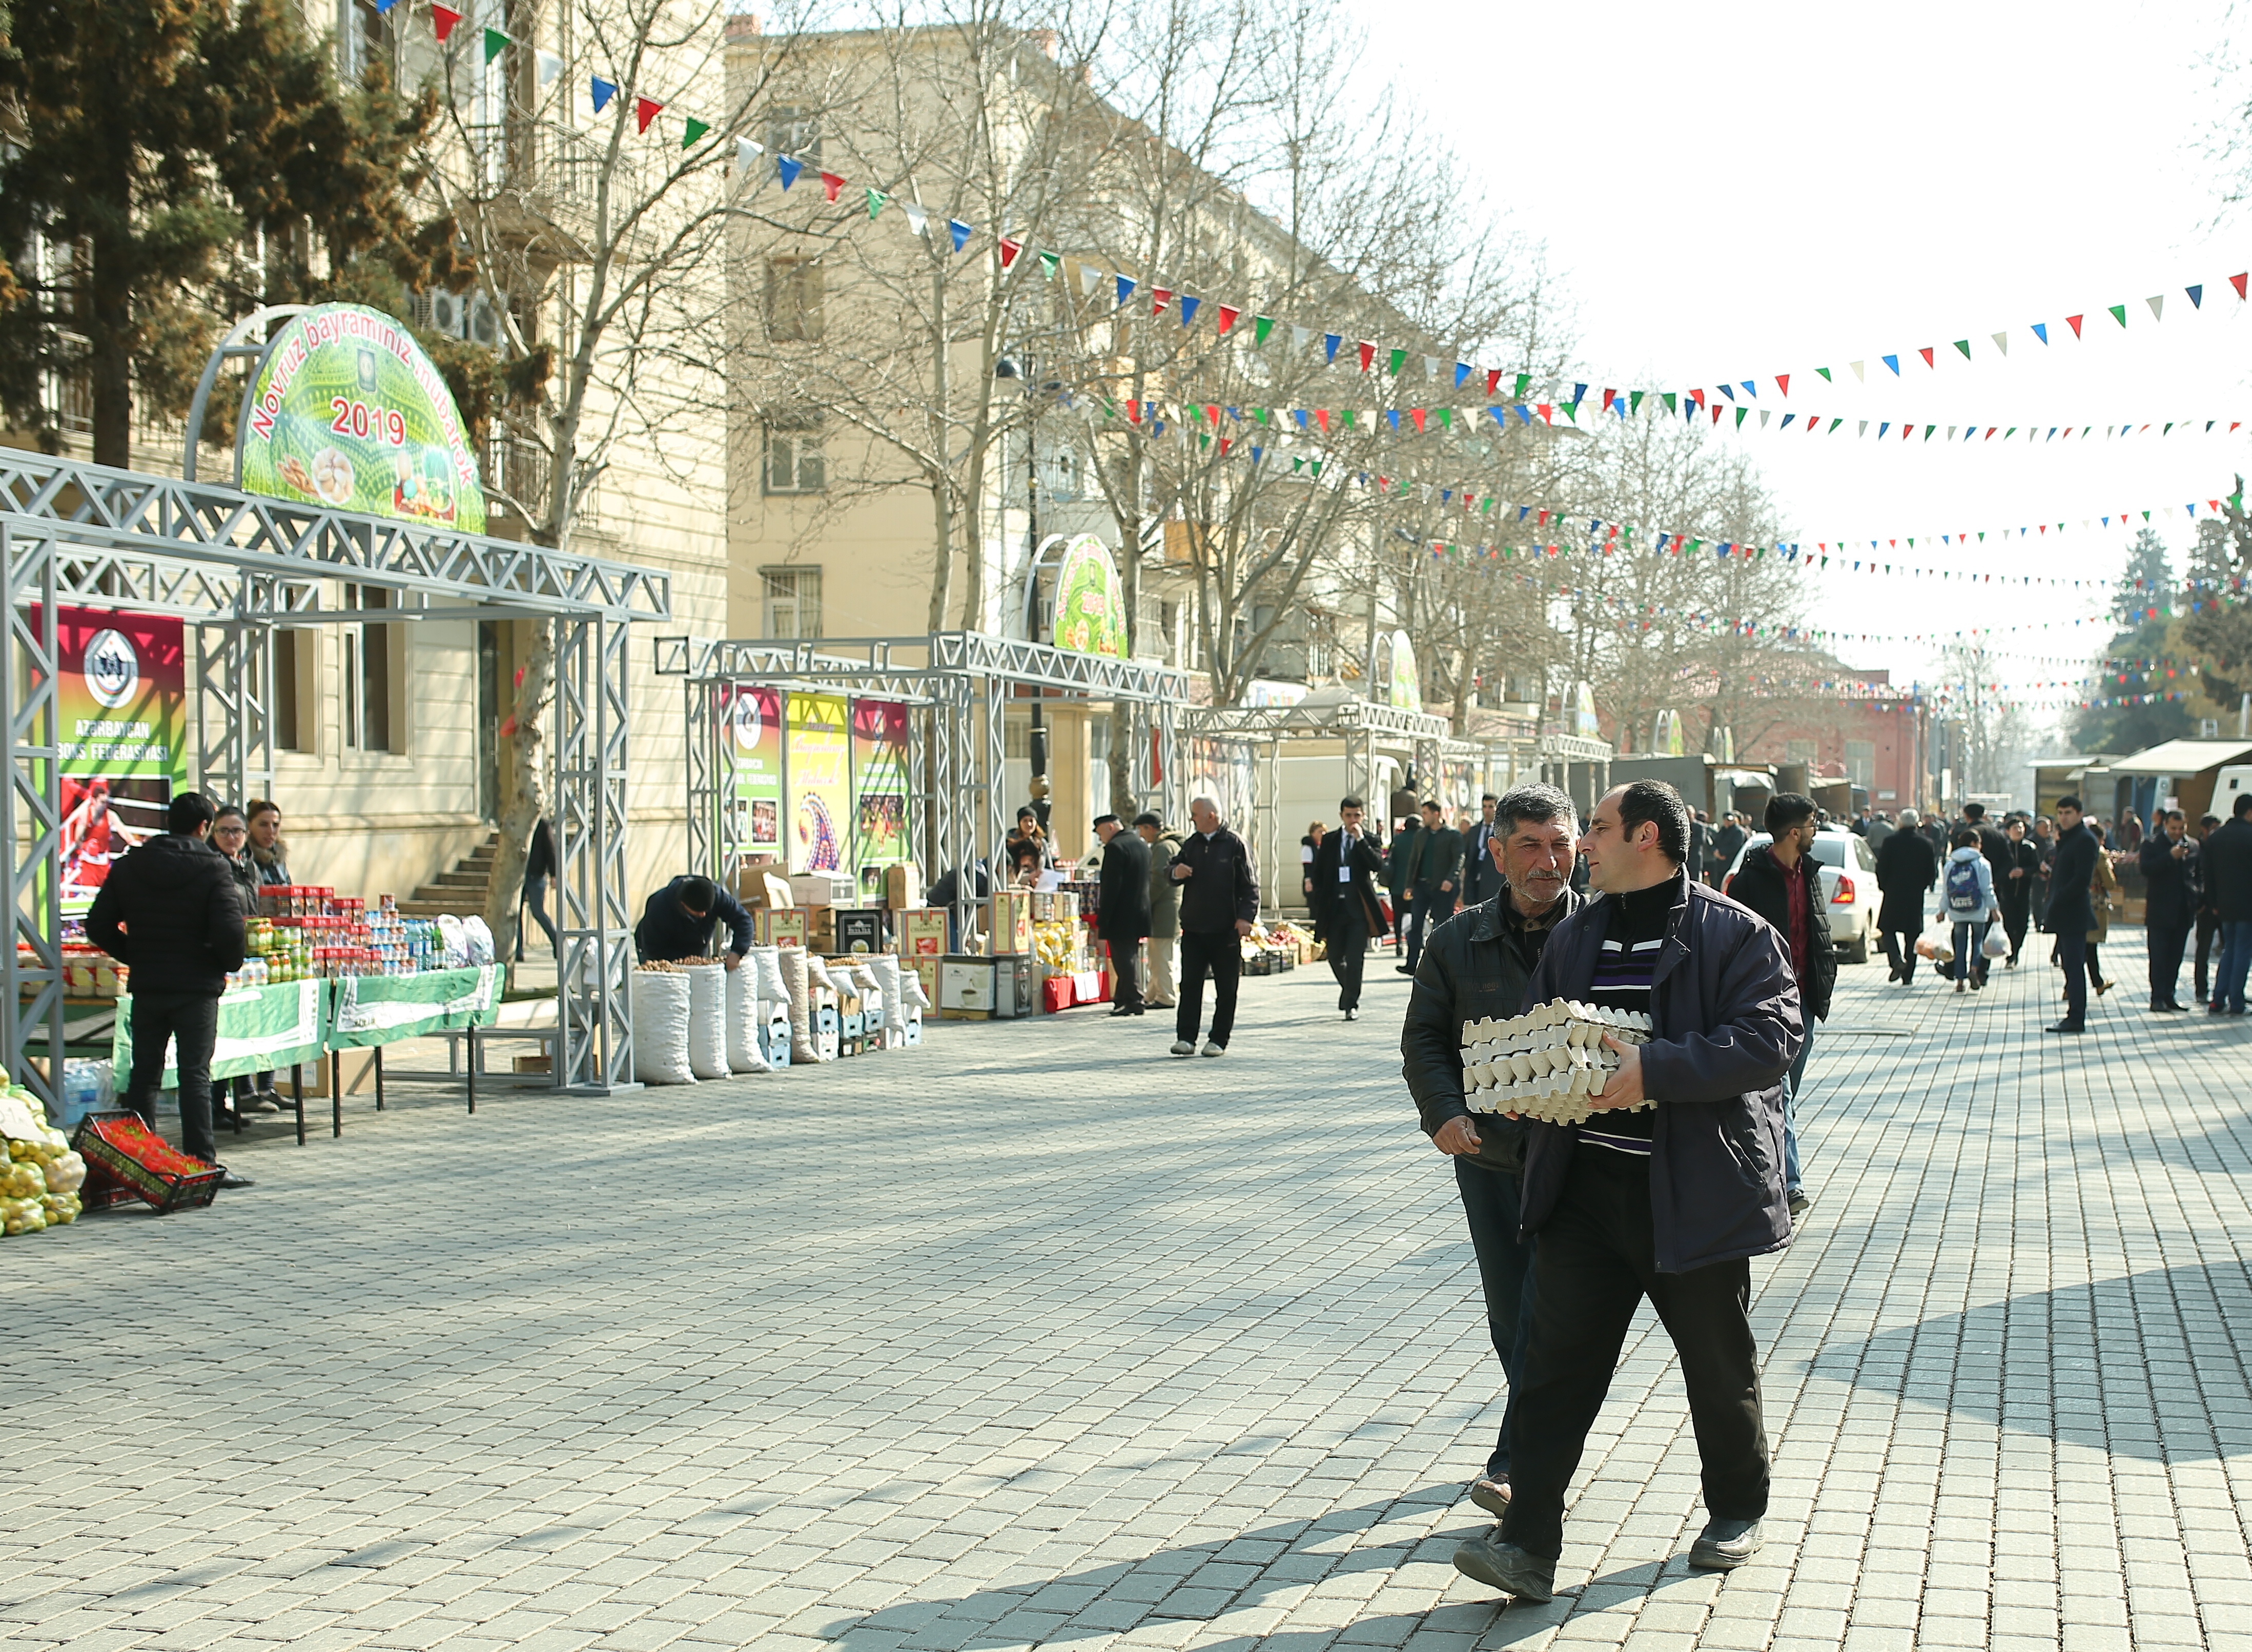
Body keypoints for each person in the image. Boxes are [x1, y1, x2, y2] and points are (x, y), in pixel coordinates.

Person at [1452, 780, 1796, 1602]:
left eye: (1597, 828)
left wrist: (1655, 1067)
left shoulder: (1734, 933)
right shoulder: (1577, 934)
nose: (1583, 845)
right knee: (1553, 1366)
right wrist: (1523, 1080)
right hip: (1582, 1191)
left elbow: (1769, 1037)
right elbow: (1546, 1024)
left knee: (1716, 1363)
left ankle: (1736, 1506)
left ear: (1645, 834)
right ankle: (1526, 1542)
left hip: (1692, 1189)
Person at [1401, 783, 1581, 1518]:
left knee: (1553, 1310)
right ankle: (1532, 1454)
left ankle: (1518, 1465)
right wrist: (1443, 1113)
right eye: (1532, 845)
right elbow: (1423, 1042)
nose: (1549, 861)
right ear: (1497, 851)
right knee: (1512, 1312)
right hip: (1489, 1158)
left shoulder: (1606, 934)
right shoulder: (1454, 940)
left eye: (1562, 843)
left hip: (1581, 1157)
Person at [85, 792, 252, 1187]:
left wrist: (135, 954)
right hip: (196, 986)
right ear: (204, 827)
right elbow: (231, 932)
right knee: (195, 1074)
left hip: (149, 984)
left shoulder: (130, 865)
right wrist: (225, 963)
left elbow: (98, 924)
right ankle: (200, 1164)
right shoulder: (214, 867)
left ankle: (141, 1163)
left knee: (145, 1074)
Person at [1720, 794, 1833, 1217]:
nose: (1816, 829)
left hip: (1806, 1001)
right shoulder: (1751, 880)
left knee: (1785, 1096)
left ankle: (1759, 1169)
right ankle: (1790, 1182)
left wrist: (1826, 980)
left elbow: (1816, 933)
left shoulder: (1811, 873)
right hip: (1767, 1002)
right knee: (1780, 1090)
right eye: (1812, 822)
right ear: (1793, 832)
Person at [1168, 796, 1257, 1057]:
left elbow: (1250, 886)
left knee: (1226, 988)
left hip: (1225, 930)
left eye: (1195, 814)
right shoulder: (1193, 844)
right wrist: (1176, 872)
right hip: (1194, 929)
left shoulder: (1234, 843)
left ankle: (1218, 1039)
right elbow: (1170, 870)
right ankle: (1186, 1038)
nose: (1192, 819)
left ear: (1211, 816)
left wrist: (1245, 918)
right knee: (1190, 986)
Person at [209, 806, 280, 1119]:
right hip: (222, 957)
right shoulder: (211, 865)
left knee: (251, 1027)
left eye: (237, 832)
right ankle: (217, 1104)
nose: (231, 837)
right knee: (222, 1034)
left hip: (252, 955)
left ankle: (257, 1090)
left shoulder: (247, 864)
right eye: (224, 831)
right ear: (212, 832)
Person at [1308, 795, 1386, 1019]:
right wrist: (1318, 898)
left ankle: (1350, 1003)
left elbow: (1377, 865)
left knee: (1355, 958)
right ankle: (1349, 989)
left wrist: (1360, 840)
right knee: (1334, 957)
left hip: (1358, 910)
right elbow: (1320, 872)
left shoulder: (1369, 839)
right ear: (1341, 815)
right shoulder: (1331, 840)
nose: (1353, 820)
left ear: (1363, 816)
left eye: (1357, 816)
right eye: (1349, 815)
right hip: (1335, 908)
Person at [2044, 797, 2098, 1033]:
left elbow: (2081, 879)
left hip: (2073, 912)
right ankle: (2073, 1014)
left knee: (2075, 966)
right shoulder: (2067, 839)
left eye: (2068, 812)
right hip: (2064, 912)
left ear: (2079, 813)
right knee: (2069, 965)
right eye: (2060, 813)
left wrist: (2059, 898)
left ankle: (2076, 1016)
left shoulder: (2084, 840)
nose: (2064, 817)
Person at [1094, 814, 1151, 1016]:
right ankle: (1122, 997)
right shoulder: (1141, 844)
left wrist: (1104, 916)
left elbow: (1111, 886)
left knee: (1123, 959)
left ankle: (1134, 999)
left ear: (1110, 827)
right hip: (1140, 910)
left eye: (1101, 834)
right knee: (1130, 956)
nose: (1101, 839)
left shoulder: (1116, 848)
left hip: (1120, 914)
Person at [1875, 807, 1940, 984]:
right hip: (1914, 895)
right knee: (1912, 935)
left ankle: (1896, 960)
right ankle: (1908, 976)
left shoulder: (1890, 842)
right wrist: (1923, 886)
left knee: (1887, 929)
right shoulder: (1926, 843)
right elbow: (1931, 871)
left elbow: (1881, 867)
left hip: (1893, 892)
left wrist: (1884, 886)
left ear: (1901, 822)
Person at [2139, 809, 2196, 1012]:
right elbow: (2146, 869)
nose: (2177, 832)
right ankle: (2157, 997)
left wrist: (2197, 896)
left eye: (2182, 829)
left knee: (2175, 957)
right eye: (2173, 829)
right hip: (2160, 911)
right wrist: (2169, 857)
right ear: (2165, 826)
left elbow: (2197, 873)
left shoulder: (2193, 845)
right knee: (2159, 956)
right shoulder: (2152, 844)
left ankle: (2170, 995)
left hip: (2183, 911)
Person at [1400, 800, 1463, 975]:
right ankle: (1411, 963)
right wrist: (1409, 886)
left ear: (1436, 814)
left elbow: (1459, 858)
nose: (1423, 817)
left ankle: (1442, 964)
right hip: (1421, 886)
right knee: (1416, 924)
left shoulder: (1452, 835)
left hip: (1442, 887)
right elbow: (1414, 860)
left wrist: (1451, 879)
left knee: (1442, 926)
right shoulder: (1421, 835)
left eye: (1426, 813)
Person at [633, 874, 752, 966]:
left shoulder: (715, 895)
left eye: (707, 911)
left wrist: (737, 951)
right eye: (698, 912)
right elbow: (654, 950)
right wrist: (683, 964)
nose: (703, 915)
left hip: (696, 949)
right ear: (683, 904)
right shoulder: (660, 907)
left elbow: (743, 920)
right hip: (659, 950)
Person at [2204, 792, 2252, 1014]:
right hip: (2248, 906)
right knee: (2242, 951)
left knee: (2229, 949)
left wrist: (2214, 902)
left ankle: (2218, 998)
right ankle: (2236, 1000)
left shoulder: (2216, 837)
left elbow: (2208, 875)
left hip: (2223, 905)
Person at [1938, 827, 2000, 995]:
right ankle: (1974, 969)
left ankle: (1959, 981)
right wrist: (1994, 909)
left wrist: (1942, 910)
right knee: (1978, 941)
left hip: (1957, 908)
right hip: (1978, 908)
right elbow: (1987, 889)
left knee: (1960, 945)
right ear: (1974, 843)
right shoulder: (1982, 863)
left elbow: (1945, 889)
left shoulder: (1951, 863)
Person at [1135, 814, 1184, 1009]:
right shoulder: (1170, 845)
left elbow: (1159, 880)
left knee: (1160, 956)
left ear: (1150, 828)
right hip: (1168, 908)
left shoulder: (1163, 848)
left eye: (1141, 830)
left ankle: (1166, 996)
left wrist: (1145, 902)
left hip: (1163, 910)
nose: (1141, 835)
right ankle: (1153, 993)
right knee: (1158, 955)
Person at [1993, 816, 2040, 968]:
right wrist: (2008, 875)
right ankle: (2011, 953)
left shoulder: (2029, 848)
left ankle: (2015, 952)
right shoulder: (2003, 848)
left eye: (2021, 828)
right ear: (2008, 831)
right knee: (2009, 924)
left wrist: (2024, 872)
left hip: (2024, 892)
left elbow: (2036, 867)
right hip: (2007, 893)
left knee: (2023, 924)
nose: (2019, 830)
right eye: (2015, 828)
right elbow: (1997, 870)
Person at [2085, 823, 2118, 997]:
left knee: (2087, 947)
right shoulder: (2099, 854)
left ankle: (2097, 981)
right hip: (2096, 902)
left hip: (2081, 901)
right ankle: (2075, 986)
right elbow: (2110, 882)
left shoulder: (2079, 850)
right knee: (2089, 945)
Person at [2195, 813, 2224, 1005]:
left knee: (2228, 948)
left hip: (2222, 906)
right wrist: (2201, 903)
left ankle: (2222, 989)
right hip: (2205, 907)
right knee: (2203, 949)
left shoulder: (2220, 847)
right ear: (2205, 829)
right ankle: (2201, 990)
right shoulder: (2198, 849)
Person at [519, 818, 558, 960]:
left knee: (538, 912)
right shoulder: (519, 822)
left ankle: (557, 942)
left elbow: (551, 850)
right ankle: (518, 951)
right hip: (519, 875)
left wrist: (554, 874)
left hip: (537, 875)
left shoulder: (543, 825)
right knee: (516, 914)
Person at [1385, 809, 1422, 955]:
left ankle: (1398, 943)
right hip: (1416, 886)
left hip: (1397, 885)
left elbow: (1390, 859)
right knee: (1417, 916)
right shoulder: (1421, 839)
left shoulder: (1398, 839)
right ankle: (1415, 942)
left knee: (1398, 916)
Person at [1460, 794, 1502, 908]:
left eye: (1491, 807)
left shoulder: (1502, 832)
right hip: (1473, 881)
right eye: (1485, 807)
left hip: (1493, 881)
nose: (1487, 810)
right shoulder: (1474, 831)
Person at [245, 799, 291, 891]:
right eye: (263, 825)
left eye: (275, 825)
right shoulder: (244, 858)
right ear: (249, 825)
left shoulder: (278, 857)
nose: (271, 831)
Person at [1709, 811, 1747, 886]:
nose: (1727, 822)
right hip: (1720, 863)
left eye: (1730, 820)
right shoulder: (1722, 830)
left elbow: (1735, 846)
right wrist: (1716, 852)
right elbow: (1715, 842)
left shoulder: (1738, 831)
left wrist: (1722, 852)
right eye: (1726, 820)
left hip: (1731, 861)